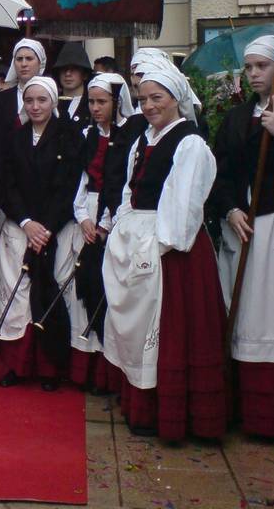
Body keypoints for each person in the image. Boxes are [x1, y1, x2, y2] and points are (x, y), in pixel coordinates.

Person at [102, 66, 227, 440]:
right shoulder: (144, 139)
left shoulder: (190, 144)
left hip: (172, 250)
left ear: (176, 98)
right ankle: (143, 406)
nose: (150, 106)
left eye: (157, 98)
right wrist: (125, 229)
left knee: (170, 329)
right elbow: (128, 189)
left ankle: (174, 415)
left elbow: (186, 205)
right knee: (140, 329)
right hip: (140, 239)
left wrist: (154, 245)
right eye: (143, 99)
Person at [213, 35, 274, 438]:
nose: (253, 75)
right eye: (248, 68)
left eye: (261, 66)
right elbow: (223, 172)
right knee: (244, 314)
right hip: (245, 231)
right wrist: (229, 209)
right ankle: (246, 411)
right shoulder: (237, 116)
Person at [0, 76, 84, 392]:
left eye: (42, 100)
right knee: (16, 299)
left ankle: (50, 367)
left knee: (50, 296)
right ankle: (17, 365)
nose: (35, 106)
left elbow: (70, 186)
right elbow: (7, 183)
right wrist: (26, 221)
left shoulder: (68, 137)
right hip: (19, 229)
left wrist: (47, 227)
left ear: (53, 102)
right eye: (30, 101)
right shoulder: (15, 138)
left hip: (55, 231)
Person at [68, 73, 134, 394]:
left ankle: (111, 366)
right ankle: (90, 367)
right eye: (91, 101)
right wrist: (82, 217)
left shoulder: (126, 138)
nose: (95, 108)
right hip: (89, 214)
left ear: (116, 102)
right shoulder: (89, 136)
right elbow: (82, 180)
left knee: (109, 288)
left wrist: (107, 222)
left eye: (101, 102)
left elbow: (122, 184)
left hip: (115, 214)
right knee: (86, 286)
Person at [51, 41, 92, 126]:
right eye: (63, 69)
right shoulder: (51, 103)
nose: (68, 74)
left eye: (74, 69)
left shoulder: (91, 104)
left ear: (84, 74)